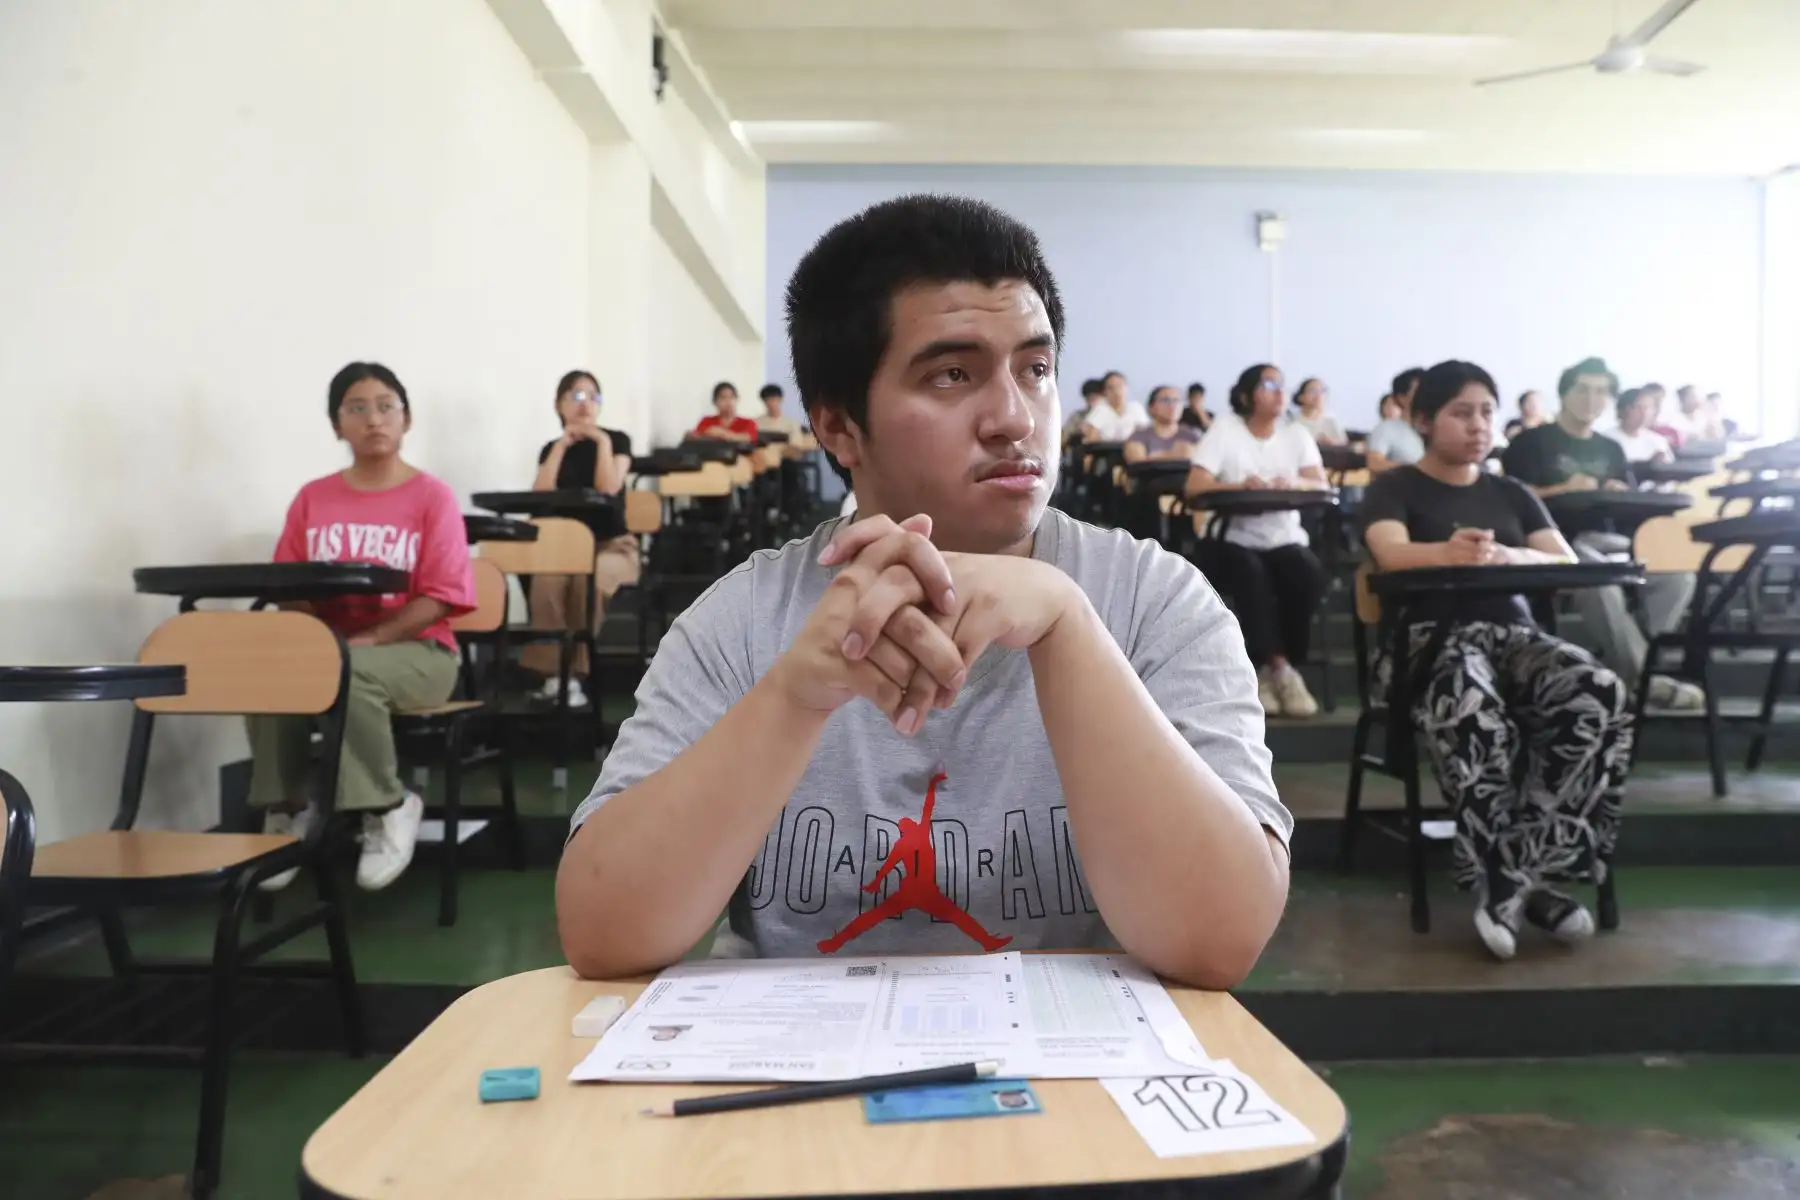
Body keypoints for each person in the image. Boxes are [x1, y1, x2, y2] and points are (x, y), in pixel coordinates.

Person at [556, 195, 1290, 987]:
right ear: (839, 427)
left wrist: (1069, 627)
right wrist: (793, 697)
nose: (1014, 418)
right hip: (797, 1054)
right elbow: (604, 933)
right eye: (952, 375)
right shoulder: (744, 619)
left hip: (1078, 1056)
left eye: (1036, 370)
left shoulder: (1155, 602)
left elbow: (1221, 938)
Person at [1360, 359, 1630, 961]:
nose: (1478, 424)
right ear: (1423, 420)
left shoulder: (1512, 492)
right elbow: (1390, 554)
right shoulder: (1395, 488)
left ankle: (1513, 873)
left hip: (1515, 640)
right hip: (1427, 641)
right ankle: (1528, 884)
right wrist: (1447, 552)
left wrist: (1510, 555)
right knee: (1471, 704)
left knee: (1599, 691)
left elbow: (1563, 560)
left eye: (1486, 411)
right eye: (1461, 413)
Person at [249, 362, 476, 892]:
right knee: (265, 672)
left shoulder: (432, 496)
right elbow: (288, 584)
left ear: (406, 419)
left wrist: (370, 639)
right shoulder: (313, 498)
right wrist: (316, 641)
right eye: (356, 408)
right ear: (337, 425)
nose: (373, 419)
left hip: (420, 653)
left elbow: (442, 596)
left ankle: (387, 805)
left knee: (348, 671)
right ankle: (287, 809)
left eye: (385, 406)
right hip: (334, 647)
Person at [1501, 356, 1701, 710]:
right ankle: (1645, 679)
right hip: (1554, 544)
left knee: (1678, 576)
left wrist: (1618, 490)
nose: (1591, 399)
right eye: (1583, 390)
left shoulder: (1611, 449)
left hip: (1610, 540)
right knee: (1601, 579)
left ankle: (1629, 665)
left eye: (1600, 392)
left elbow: (1629, 504)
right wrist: (1564, 488)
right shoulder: (1530, 442)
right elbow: (1512, 497)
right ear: (1564, 393)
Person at [1185, 364, 1329, 718]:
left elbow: (1319, 484)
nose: (1279, 392)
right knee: (1251, 573)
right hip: (1231, 538)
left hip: (1284, 538)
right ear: (1246, 395)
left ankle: (1277, 667)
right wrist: (1239, 485)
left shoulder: (1296, 434)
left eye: (1281, 384)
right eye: (1268, 384)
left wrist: (1292, 483)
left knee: (1308, 573)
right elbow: (1195, 486)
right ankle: (1276, 666)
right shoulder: (1226, 430)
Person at [524, 370, 640, 708]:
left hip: (613, 546)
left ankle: (572, 674)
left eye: (593, 396)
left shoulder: (616, 441)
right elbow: (540, 496)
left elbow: (608, 488)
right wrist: (562, 445)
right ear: (559, 405)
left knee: (590, 579)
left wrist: (600, 442)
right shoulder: (551, 448)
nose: (585, 403)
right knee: (546, 580)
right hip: (563, 549)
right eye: (576, 396)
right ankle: (554, 675)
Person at [1367, 367, 1426, 473]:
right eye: (1419, 391)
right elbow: (1375, 464)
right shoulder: (1386, 429)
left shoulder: (1436, 428)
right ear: (1401, 398)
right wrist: (1417, 470)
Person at [1122, 386, 1201, 463]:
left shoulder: (1193, 436)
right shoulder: (1138, 436)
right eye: (1165, 400)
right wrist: (1173, 454)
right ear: (1151, 408)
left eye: (1176, 400)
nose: (1172, 405)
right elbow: (1137, 464)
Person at [1080, 369, 1151, 442]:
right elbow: (1091, 438)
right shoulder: (1100, 410)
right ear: (1105, 392)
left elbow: (1146, 434)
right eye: (1111, 388)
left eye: (1119, 386)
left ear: (1126, 388)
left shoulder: (1135, 408)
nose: (1116, 392)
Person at [1607, 387, 1673, 464]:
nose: (1643, 412)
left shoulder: (1659, 441)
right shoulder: (1607, 439)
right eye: (1636, 407)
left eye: (1647, 407)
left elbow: (1671, 468)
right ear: (1622, 410)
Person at [692, 381, 759, 443]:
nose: (728, 401)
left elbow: (748, 438)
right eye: (723, 397)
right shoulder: (706, 421)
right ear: (715, 402)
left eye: (731, 397)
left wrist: (723, 434)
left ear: (737, 400)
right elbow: (694, 436)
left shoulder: (748, 422)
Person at [1291, 378, 1346, 445]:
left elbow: (1344, 444)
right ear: (1301, 397)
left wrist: (1332, 442)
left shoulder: (1330, 421)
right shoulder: (1294, 424)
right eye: (1313, 391)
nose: (1318, 396)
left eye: (1322, 391)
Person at [1062, 377, 1106, 443]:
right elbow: (1064, 435)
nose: (1092, 402)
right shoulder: (1078, 416)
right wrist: (1077, 430)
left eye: (1094, 398)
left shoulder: (1110, 414)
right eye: (1088, 398)